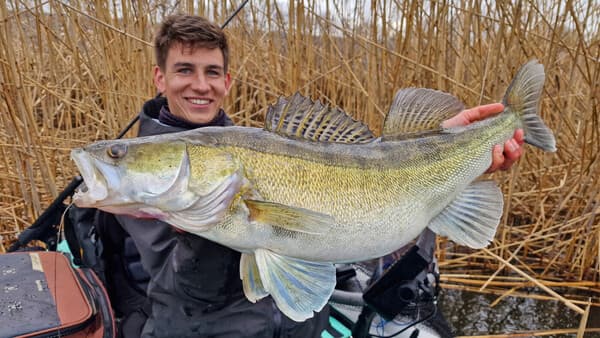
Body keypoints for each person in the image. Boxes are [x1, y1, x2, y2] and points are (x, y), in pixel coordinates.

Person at [68, 14, 524, 338]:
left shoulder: (245, 144)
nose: (199, 85)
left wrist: (439, 146)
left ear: (228, 82)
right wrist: (214, 218)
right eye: (184, 70)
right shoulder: (137, 202)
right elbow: (183, 298)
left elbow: (353, 205)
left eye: (212, 72)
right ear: (159, 78)